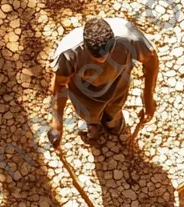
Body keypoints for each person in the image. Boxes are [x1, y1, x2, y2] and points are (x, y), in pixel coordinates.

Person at [48, 16, 159, 146]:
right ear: (86, 46)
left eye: (108, 53)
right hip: (84, 95)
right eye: (97, 57)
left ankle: (113, 121)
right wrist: (57, 123)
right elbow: (59, 85)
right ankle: (93, 125)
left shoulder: (129, 38)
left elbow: (151, 60)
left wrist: (148, 96)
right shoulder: (68, 53)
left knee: (115, 108)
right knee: (89, 115)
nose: (103, 60)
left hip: (118, 85)